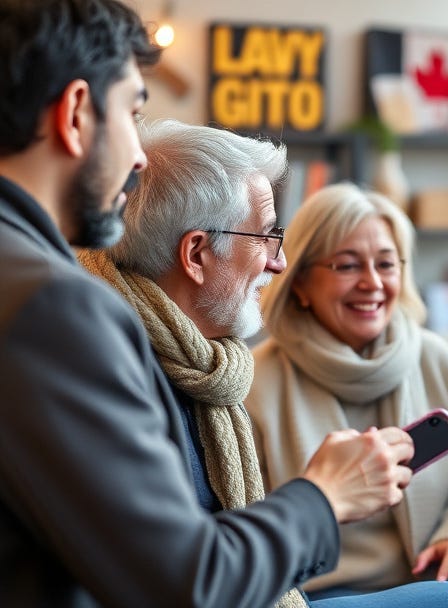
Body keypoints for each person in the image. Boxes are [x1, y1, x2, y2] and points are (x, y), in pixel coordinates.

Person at [0, 2, 417, 606]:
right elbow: (185, 582)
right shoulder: (53, 307)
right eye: (133, 110)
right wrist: (324, 497)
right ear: (74, 115)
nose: (138, 157)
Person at [245, 182, 448, 606]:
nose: (371, 283)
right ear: (299, 283)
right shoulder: (254, 381)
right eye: (346, 266)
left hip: (428, 582)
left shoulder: (435, 359)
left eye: (386, 264)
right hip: (310, 597)